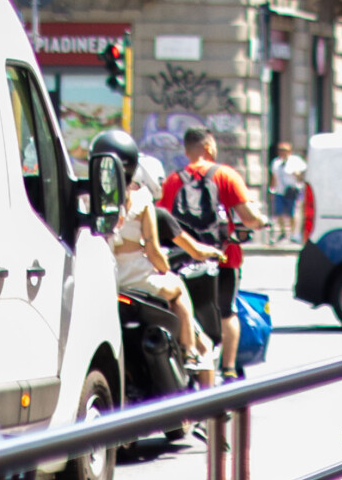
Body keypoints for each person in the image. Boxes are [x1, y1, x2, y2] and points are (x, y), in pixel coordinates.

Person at [160, 127, 267, 384]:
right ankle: (228, 369)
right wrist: (262, 221)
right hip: (223, 257)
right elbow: (249, 219)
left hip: (183, 259)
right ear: (208, 147)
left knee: (186, 310)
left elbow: (163, 221)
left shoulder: (173, 180)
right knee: (227, 312)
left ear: (187, 151)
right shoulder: (226, 176)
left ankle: (189, 356)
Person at [109, 150, 214, 372]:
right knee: (178, 287)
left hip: (108, 278)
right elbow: (153, 248)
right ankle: (190, 351)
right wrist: (164, 268)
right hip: (137, 278)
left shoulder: (90, 199)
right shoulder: (141, 200)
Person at [269, 142, 307, 244]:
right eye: (280, 150)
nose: (282, 152)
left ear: (289, 151)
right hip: (280, 191)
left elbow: (302, 174)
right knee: (279, 212)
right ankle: (283, 232)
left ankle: (293, 234)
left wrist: (297, 174)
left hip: (292, 190)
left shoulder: (296, 161)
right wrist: (271, 188)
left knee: (292, 213)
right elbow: (273, 176)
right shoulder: (276, 162)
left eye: (284, 150)